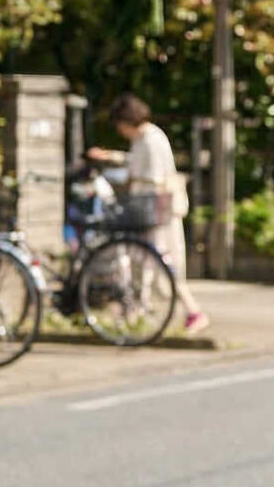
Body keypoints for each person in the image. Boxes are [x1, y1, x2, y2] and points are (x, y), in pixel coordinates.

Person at [84, 93, 208, 334]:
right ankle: (142, 312)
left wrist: (124, 179)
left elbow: (148, 178)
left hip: (157, 212)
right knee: (152, 263)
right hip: (156, 211)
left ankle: (190, 311)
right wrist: (112, 157)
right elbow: (136, 164)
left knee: (157, 262)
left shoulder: (150, 140)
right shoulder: (146, 138)